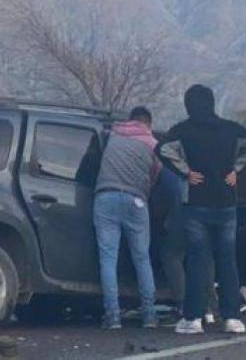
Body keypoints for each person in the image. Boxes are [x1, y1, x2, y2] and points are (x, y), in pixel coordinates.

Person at [157, 84, 246, 335]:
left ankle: (193, 318)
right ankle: (232, 318)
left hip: (197, 203)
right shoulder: (229, 129)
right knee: (228, 262)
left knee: (197, 262)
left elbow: (161, 149)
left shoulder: (183, 130)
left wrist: (185, 171)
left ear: (188, 104)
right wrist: (236, 168)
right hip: (226, 203)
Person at [93, 106, 162, 330]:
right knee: (142, 258)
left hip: (105, 197)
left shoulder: (112, 134)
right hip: (136, 201)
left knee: (108, 258)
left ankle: (112, 316)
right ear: (148, 124)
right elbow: (155, 176)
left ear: (131, 120)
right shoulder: (153, 145)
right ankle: (149, 315)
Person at [153, 166, 219, 323]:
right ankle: (210, 306)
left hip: (183, 217)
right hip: (208, 217)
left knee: (171, 256)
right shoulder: (207, 164)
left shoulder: (170, 169)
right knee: (204, 258)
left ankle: (184, 304)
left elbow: (160, 198)